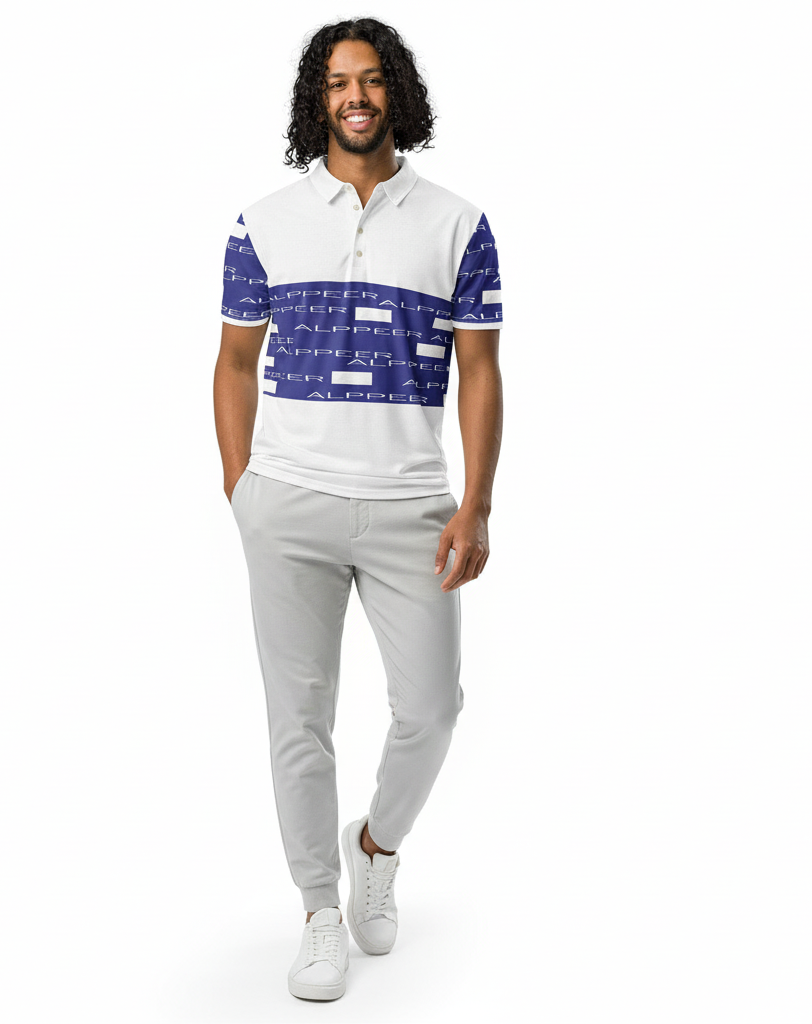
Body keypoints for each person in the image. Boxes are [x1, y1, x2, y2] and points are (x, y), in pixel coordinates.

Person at [213, 16, 503, 1001]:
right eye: (338, 82)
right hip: (287, 503)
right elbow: (233, 362)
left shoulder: (458, 224)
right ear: (318, 99)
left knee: (432, 709)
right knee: (298, 720)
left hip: (412, 505)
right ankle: (318, 910)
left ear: (396, 92)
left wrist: (476, 503)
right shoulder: (262, 222)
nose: (356, 96)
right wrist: (242, 488)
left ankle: (375, 844)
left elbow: (480, 370)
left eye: (372, 79)